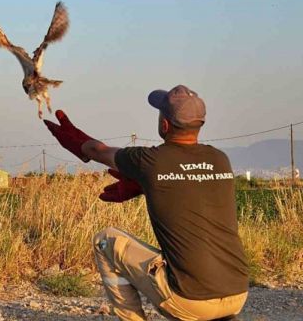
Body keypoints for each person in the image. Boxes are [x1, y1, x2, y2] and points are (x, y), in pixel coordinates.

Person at [44, 85, 249, 321]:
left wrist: (74, 139)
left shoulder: (149, 161)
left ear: (165, 124)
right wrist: (145, 185)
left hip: (191, 301)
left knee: (105, 240)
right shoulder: (219, 159)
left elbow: (97, 151)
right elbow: (189, 185)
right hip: (237, 294)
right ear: (199, 123)